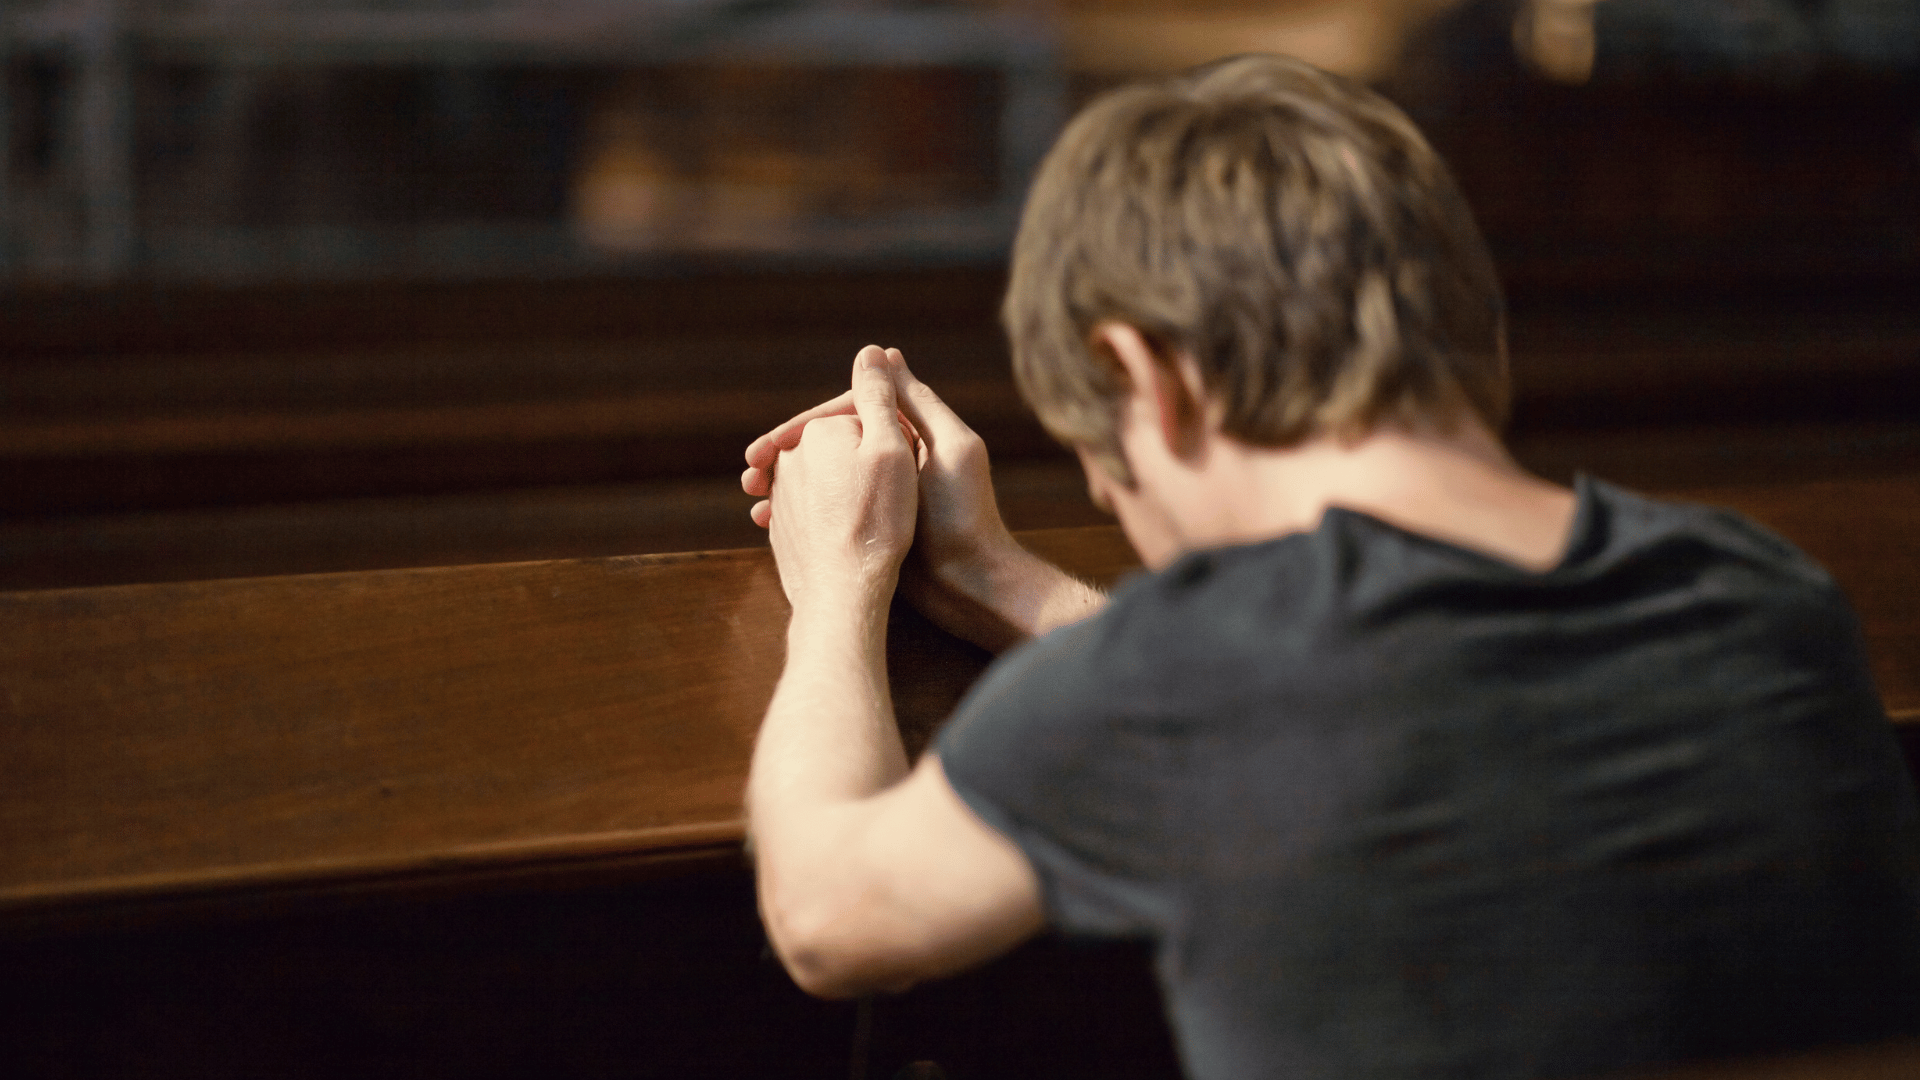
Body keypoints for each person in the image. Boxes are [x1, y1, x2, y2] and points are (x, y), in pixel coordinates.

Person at [735, 54, 1920, 1080]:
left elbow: (828, 916)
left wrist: (844, 574)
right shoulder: (1768, 598)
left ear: (1150, 379)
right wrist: (999, 577)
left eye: (1105, 458)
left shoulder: (1182, 685)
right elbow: (1331, 700)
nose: (1108, 494)